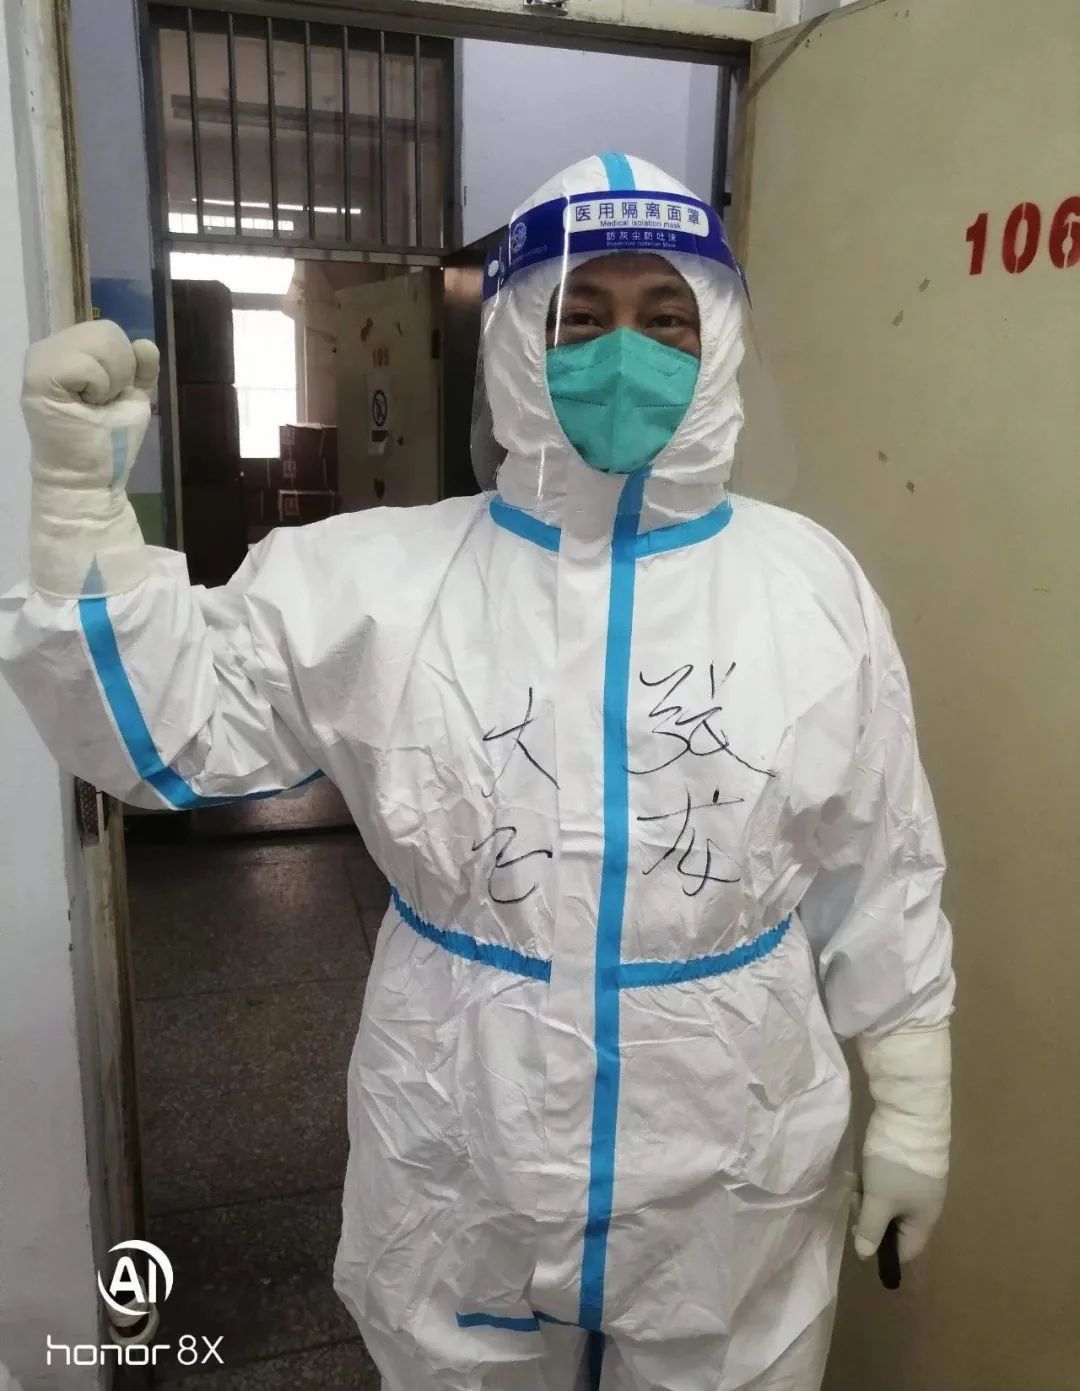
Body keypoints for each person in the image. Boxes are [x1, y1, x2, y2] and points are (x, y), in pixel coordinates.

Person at [0, 154, 953, 1391]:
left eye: (666, 318)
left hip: (733, 1136)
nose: (625, 354)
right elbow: (162, 735)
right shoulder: (376, 578)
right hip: (465, 1131)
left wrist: (916, 1101)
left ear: (719, 340)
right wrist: (80, 518)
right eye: (579, 317)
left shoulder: (810, 585)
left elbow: (881, 858)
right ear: (512, 339)